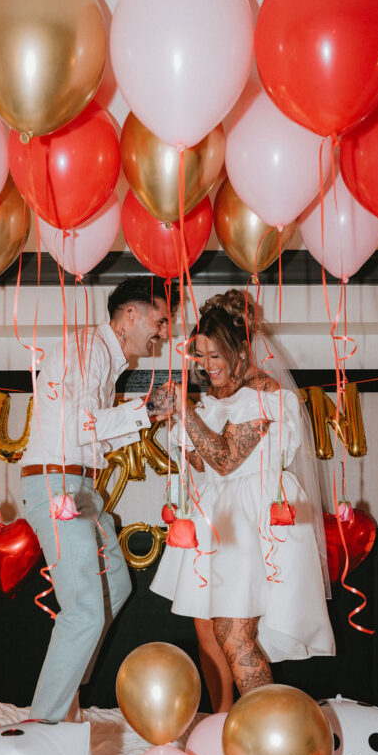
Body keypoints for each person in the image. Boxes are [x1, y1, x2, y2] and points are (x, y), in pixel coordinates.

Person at [151, 297, 334, 709]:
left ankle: (269, 731)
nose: (207, 364)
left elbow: (226, 459)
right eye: (200, 355)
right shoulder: (217, 397)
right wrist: (178, 421)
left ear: (241, 348)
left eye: (216, 355)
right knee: (206, 628)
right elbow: (202, 463)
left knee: (236, 634)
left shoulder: (266, 393)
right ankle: (223, 719)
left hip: (254, 520)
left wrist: (187, 413)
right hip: (218, 517)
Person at [21, 276, 180, 722]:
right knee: (87, 611)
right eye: (160, 319)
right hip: (57, 486)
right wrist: (146, 409)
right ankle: (45, 724)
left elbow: (91, 438)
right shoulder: (88, 348)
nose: (164, 332)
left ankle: (65, 697)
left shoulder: (106, 361)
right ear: (130, 315)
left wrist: (144, 413)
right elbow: (80, 428)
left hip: (79, 487)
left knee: (116, 587)